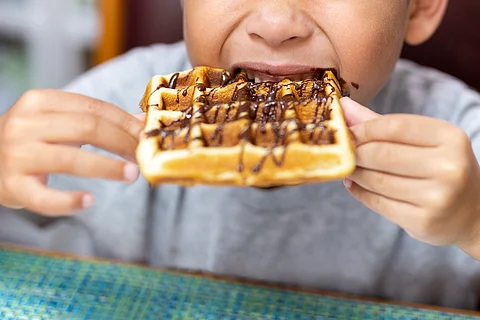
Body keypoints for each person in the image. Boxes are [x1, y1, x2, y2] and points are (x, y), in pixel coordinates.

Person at [1, 0, 480, 310]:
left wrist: (473, 222)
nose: (275, 25)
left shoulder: (460, 140)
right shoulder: (113, 107)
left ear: (418, 8)